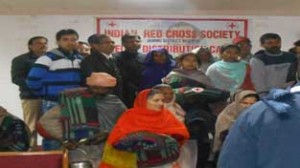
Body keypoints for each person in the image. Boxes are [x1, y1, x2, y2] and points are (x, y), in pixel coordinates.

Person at [37, 72, 126, 167]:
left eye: (104, 89)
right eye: (95, 88)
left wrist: (109, 134)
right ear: (88, 86)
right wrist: (66, 138)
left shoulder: (115, 103)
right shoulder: (74, 100)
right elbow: (46, 121)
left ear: (110, 90)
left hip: (108, 148)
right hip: (79, 148)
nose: (99, 91)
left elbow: (126, 124)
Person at [100, 88, 189, 168]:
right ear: (143, 101)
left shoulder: (166, 115)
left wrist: (164, 140)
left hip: (163, 162)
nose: (161, 103)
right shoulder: (130, 116)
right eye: (156, 100)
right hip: (131, 162)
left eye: (162, 100)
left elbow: (181, 134)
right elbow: (117, 138)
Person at [26, 29, 83, 150]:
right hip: (53, 102)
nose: (70, 42)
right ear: (58, 42)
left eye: (73, 39)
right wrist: (45, 93)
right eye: (65, 40)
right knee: (52, 134)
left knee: (72, 134)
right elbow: (32, 80)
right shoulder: (47, 58)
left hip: (74, 102)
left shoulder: (80, 59)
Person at [218, 85, 300, 168]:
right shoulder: (259, 113)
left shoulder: (257, 114)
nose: (247, 106)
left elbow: (234, 162)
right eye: (245, 103)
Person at [11, 36, 48, 149]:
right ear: (30, 46)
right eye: (38, 43)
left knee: (50, 125)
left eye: (45, 43)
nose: (43, 45)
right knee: (31, 125)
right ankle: (31, 149)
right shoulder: (21, 60)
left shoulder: (50, 59)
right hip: (31, 97)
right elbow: (17, 79)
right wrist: (36, 86)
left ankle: (50, 149)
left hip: (49, 97)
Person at [250, 33, 298, 97]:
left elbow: (295, 77)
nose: (274, 45)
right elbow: (258, 81)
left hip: (289, 93)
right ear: (262, 45)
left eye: (277, 42)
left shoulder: (291, 57)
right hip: (268, 95)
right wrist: (263, 96)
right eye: (270, 43)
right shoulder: (258, 60)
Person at [213, 90, 259, 156]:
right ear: (237, 103)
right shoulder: (226, 117)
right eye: (245, 103)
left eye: (252, 104)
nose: (248, 106)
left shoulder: (261, 118)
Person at [81, 34, 123, 101]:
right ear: (96, 46)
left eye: (112, 42)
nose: (111, 45)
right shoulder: (90, 60)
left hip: (116, 97)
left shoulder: (114, 59)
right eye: (106, 43)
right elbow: (93, 82)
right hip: (100, 98)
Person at [113, 34, 146, 108]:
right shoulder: (116, 57)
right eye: (131, 41)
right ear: (123, 44)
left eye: (137, 41)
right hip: (123, 91)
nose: (135, 43)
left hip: (142, 90)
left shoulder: (145, 57)